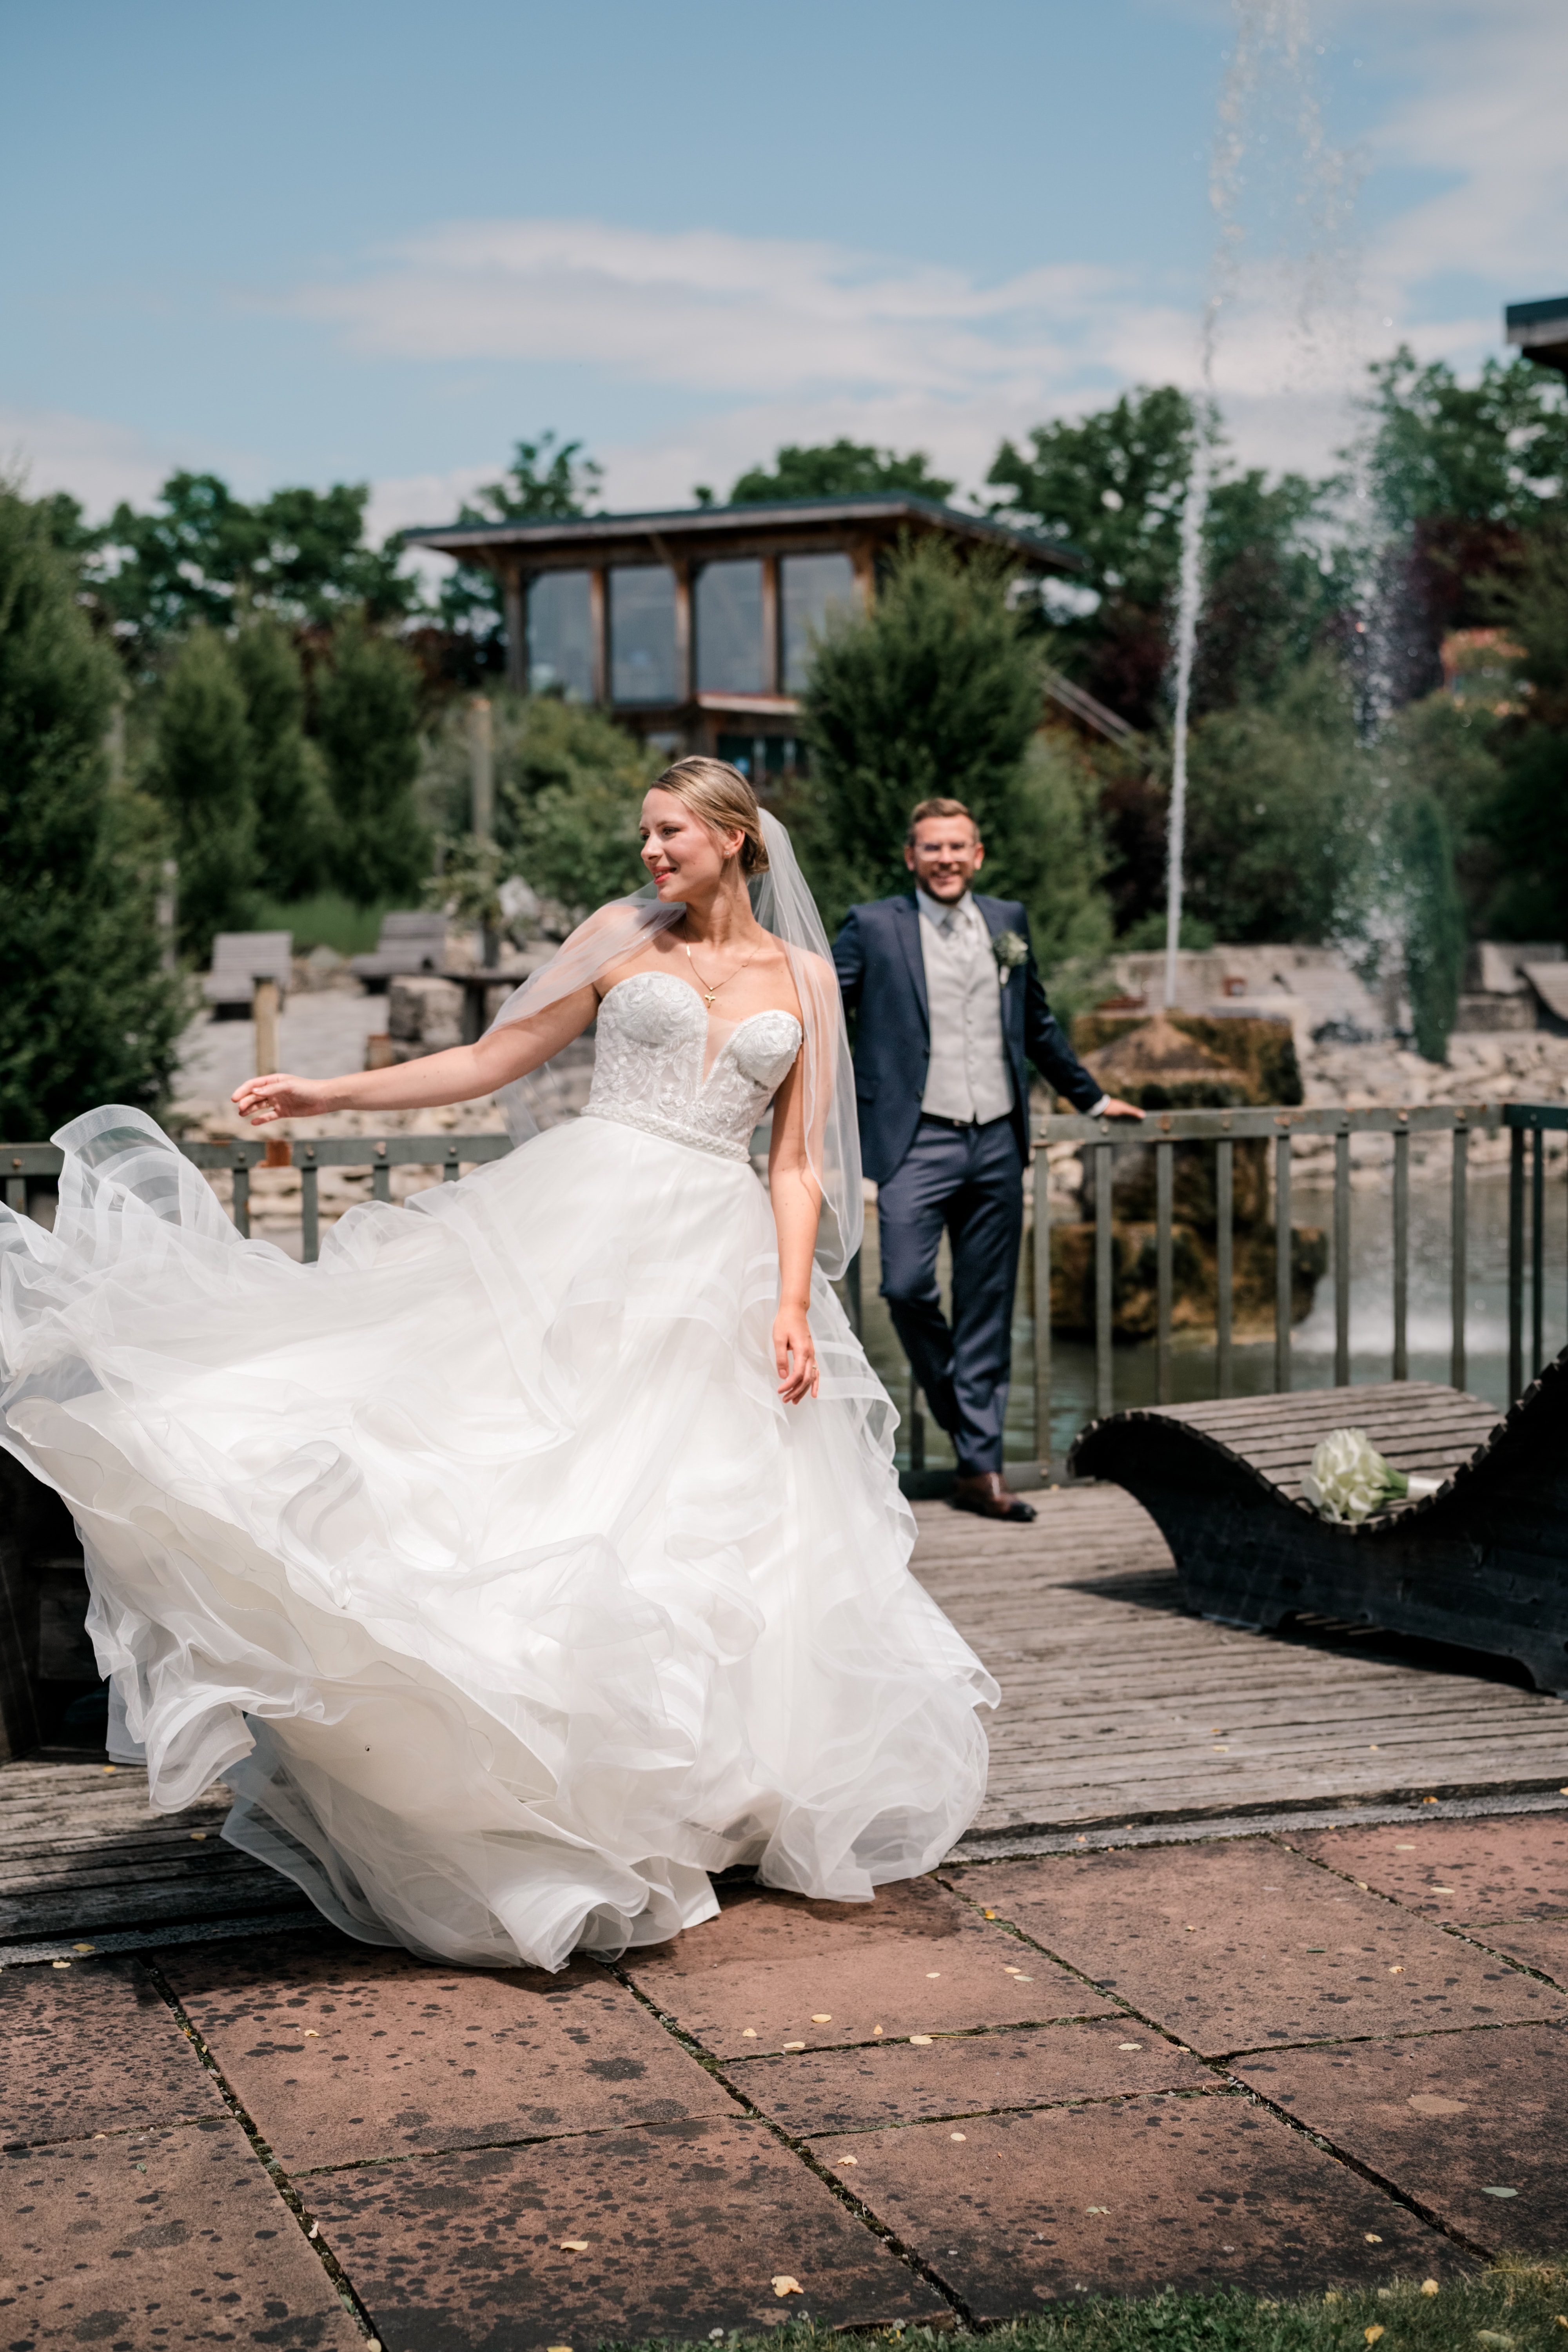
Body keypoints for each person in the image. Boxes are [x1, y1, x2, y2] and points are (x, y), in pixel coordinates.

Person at [0, 761, 996, 1973]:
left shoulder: (802, 982)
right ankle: (529, 1777)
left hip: (713, 1265)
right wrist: (326, 1091)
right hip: (579, 1225)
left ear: (734, 841)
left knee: (696, 1519)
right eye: (644, 833)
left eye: (669, 833)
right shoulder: (619, 935)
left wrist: (792, 1302)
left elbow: (798, 1165)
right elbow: (489, 1059)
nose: (650, 853)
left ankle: (687, 1796)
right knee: (532, 1476)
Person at [833, 797, 1143, 1523]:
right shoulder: (874, 926)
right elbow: (820, 1006)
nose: (945, 859)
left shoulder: (1007, 922)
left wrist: (1092, 1100)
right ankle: (969, 1422)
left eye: (958, 847)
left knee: (988, 1310)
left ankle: (981, 1470)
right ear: (911, 858)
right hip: (916, 1139)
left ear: (979, 855)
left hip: (999, 1139)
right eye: (931, 848)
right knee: (906, 1288)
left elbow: (1035, 1020)